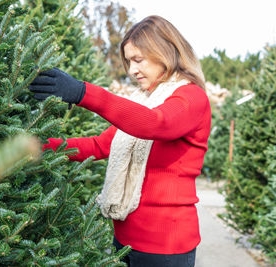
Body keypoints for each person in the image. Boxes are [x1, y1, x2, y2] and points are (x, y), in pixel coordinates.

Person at [28, 15, 211, 267]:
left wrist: (83, 92)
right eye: (128, 61)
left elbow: (156, 123)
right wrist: (39, 145)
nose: (132, 70)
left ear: (165, 52)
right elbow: (100, 145)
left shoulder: (191, 98)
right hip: (124, 239)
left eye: (138, 60)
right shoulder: (144, 101)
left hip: (166, 246)